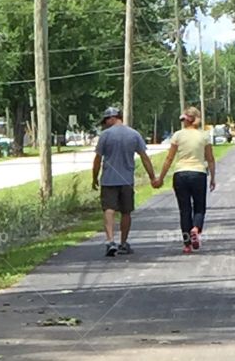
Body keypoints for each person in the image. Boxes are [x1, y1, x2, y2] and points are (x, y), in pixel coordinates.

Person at [91, 105, 156, 257]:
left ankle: (109, 241)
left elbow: (98, 159)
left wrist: (94, 177)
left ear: (112, 118)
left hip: (108, 180)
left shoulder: (105, 136)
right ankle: (123, 243)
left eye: (106, 120)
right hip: (127, 180)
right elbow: (144, 157)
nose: (105, 123)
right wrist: (152, 176)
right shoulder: (134, 134)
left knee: (109, 209)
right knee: (126, 212)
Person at [152, 106, 216, 254]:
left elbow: (169, 159)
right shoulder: (204, 136)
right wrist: (212, 177)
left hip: (180, 174)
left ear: (186, 121)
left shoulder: (177, 136)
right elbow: (210, 159)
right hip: (198, 174)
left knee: (184, 209)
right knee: (199, 207)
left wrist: (160, 178)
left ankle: (187, 245)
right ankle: (196, 229)